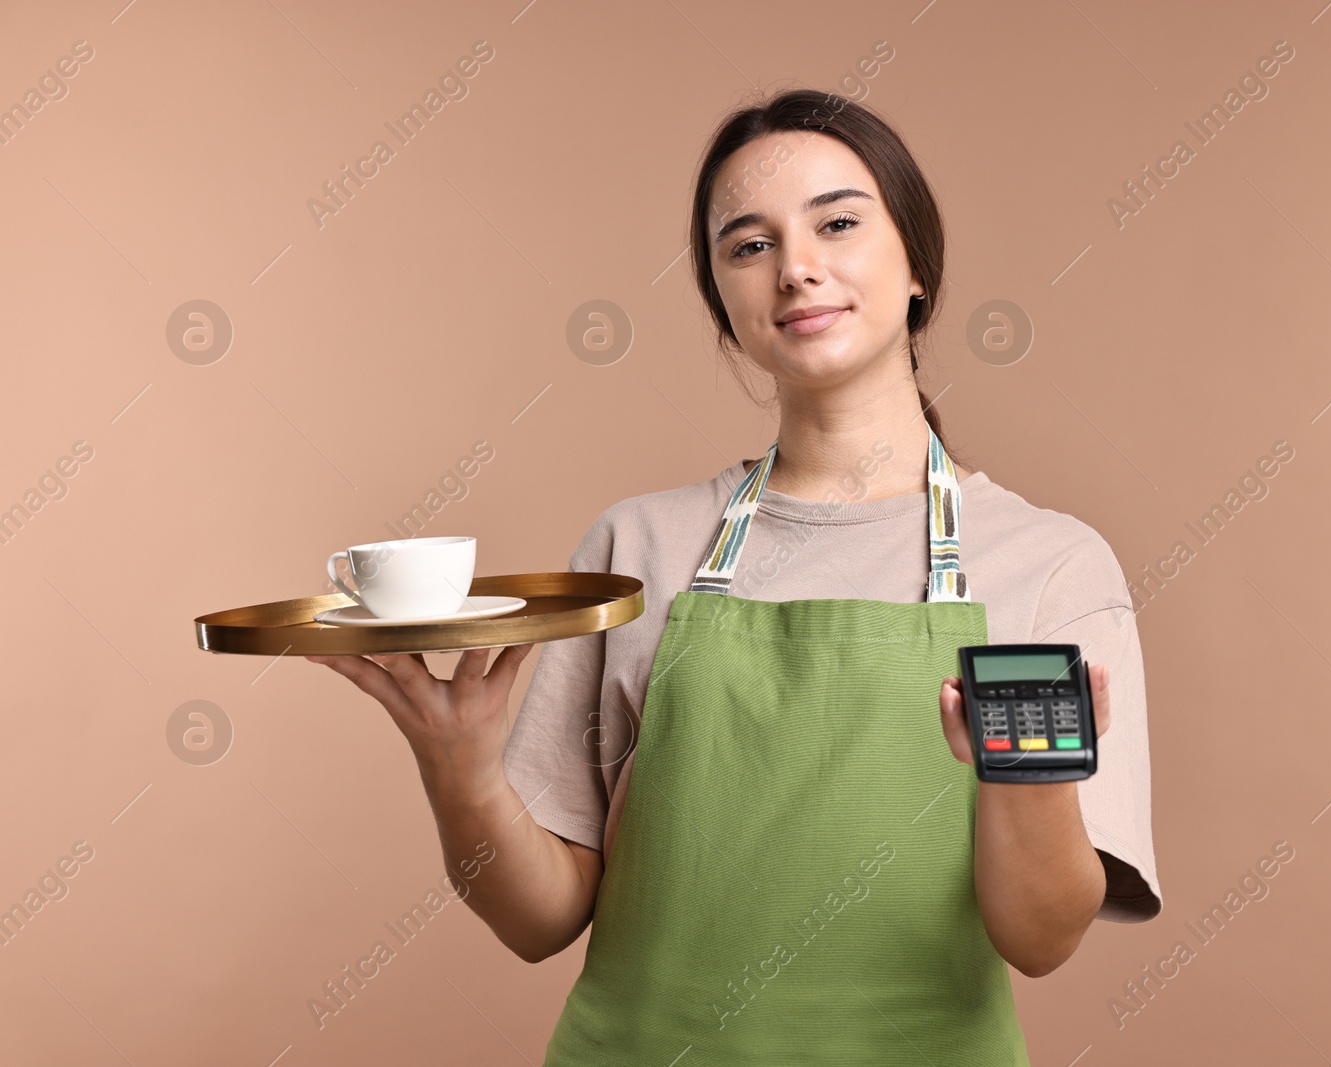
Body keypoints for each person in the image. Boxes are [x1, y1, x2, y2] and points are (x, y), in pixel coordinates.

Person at [309, 88, 1160, 1063]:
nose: (796, 269)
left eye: (837, 223)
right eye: (747, 246)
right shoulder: (635, 548)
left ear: (917, 265)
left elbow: (1039, 937)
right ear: (724, 301)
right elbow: (539, 917)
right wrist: (457, 769)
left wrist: (1027, 778)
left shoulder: (1050, 564)